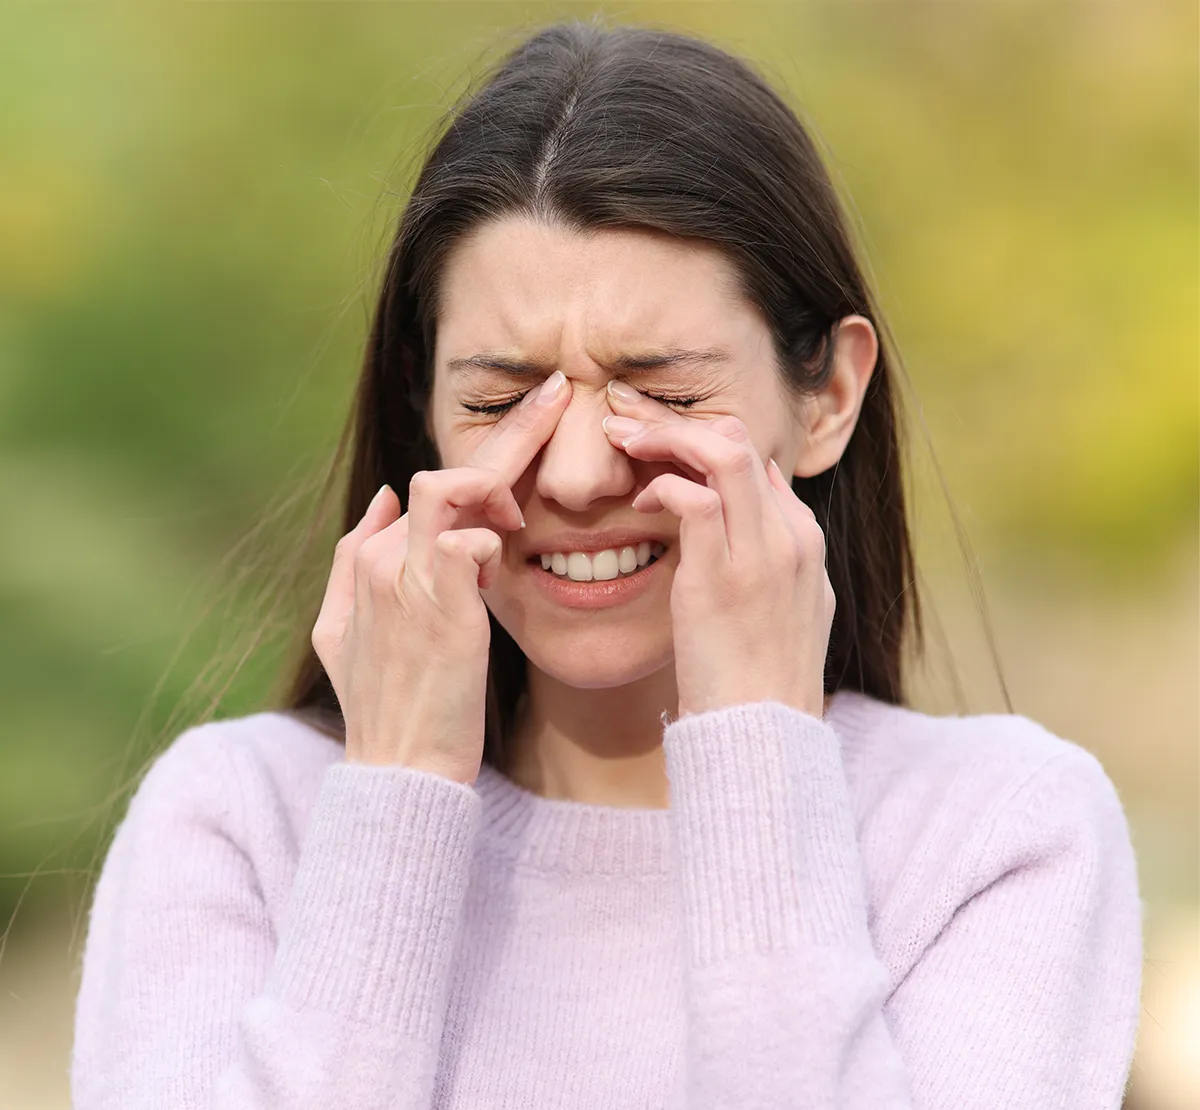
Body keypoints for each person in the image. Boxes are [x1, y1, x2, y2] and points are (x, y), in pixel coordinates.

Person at [70, 19, 1144, 1110]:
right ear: (421, 403)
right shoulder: (240, 824)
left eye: (668, 395)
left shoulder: (998, 835)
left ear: (827, 397)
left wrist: (757, 756)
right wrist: (395, 798)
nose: (577, 474)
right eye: (497, 401)